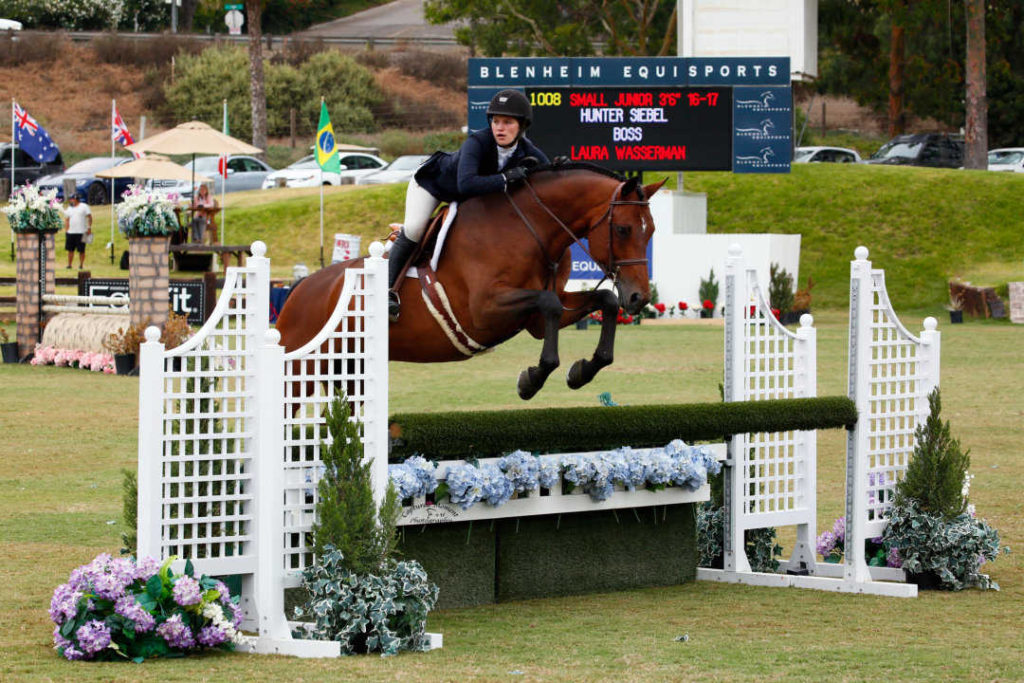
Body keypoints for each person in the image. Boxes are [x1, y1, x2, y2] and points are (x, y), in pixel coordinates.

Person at [387, 89, 550, 321]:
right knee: (414, 228)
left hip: (467, 200)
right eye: (496, 121)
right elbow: (466, 185)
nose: (500, 128)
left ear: (521, 126)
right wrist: (505, 178)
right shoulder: (478, 142)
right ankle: (388, 291)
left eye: (507, 122)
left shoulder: (526, 149)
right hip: (433, 185)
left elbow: (547, 174)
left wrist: (558, 168)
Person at [63, 194, 92, 269]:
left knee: (81, 250)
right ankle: (69, 265)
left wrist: (89, 227)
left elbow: (89, 217)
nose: (70, 201)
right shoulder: (69, 208)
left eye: (72, 199)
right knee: (70, 250)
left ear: (76, 199)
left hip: (82, 231)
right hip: (71, 232)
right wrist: (66, 230)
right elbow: (67, 219)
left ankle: (81, 264)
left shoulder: (84, 206)